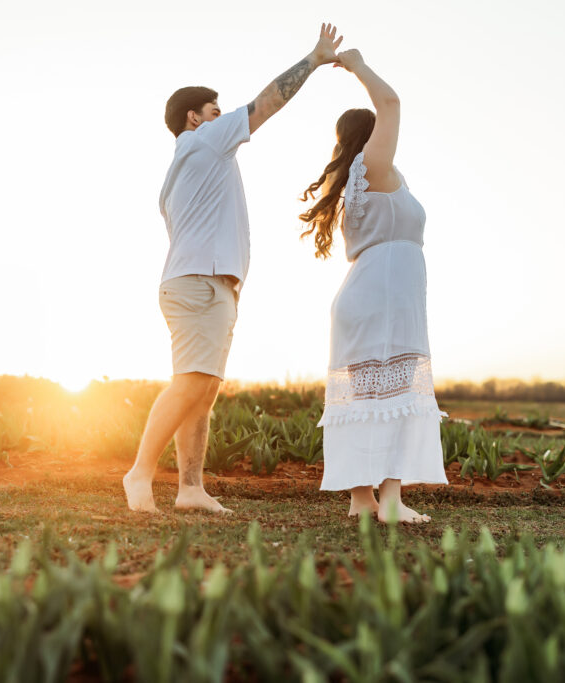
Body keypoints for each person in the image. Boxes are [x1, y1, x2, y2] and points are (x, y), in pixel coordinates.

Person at [123, 24, 344, 513]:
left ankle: (191, 488)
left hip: (203, 284)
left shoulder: (178, 170)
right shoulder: (204, 141)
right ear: (194, 119)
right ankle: (139, 473)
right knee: (191, 384)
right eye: (215, 112)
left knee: (202, 391)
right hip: (200, 284)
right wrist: (314, 59)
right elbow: (267, 102)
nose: (225, 119)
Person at [299, 48, 448, 523]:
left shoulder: (357, 182)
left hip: (373, 297)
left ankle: (366, 501)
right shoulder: (374, 169)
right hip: (383, 299)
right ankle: (386, 501)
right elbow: (392, 104)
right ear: (370, 138)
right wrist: (359, 66)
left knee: (371, 400)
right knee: (390, 395)